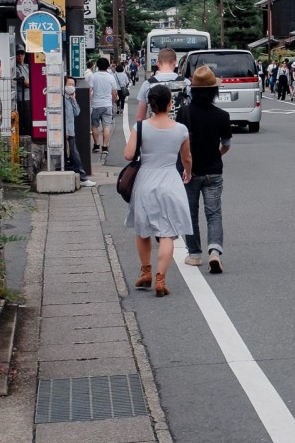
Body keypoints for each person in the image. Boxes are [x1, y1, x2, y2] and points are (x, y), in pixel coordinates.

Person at [122, 82, 192, 298]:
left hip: (145, 181)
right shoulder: (180, 129)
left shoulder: (140, 127)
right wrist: (188, 172)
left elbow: (127, 154)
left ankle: (146, 271)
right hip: (170, 180)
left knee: (143, 229)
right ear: (170, 104)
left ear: (151, 104)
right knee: (168, 233)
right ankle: (161, 278)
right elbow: (186, 158)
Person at [178, 65, 231, 274]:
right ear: (214, 91)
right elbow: (226, 144)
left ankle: (194, 254)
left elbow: (179, 141)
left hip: (189, 171)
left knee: (190, 213)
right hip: (214, 171)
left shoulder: (184, 113)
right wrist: (217, 153)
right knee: (214, 213)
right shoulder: (222, 115)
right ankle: (215, 251)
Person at [61, 77, 95, 188]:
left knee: (73, 155)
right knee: (75, 155)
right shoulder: (62, 99)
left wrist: (74, 99)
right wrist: (64, 131)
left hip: (71, 132)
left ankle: (80, 175)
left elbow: (77, 112)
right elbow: (63, 117)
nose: (71, 86)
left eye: (73, 84)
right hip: (66, 132)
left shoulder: (70, 99)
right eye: (69, 84)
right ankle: (83, 177)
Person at [87, 57, 120, 162]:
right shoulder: (111, 77)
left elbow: (90, 90)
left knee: (95, 126)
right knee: (106, 126)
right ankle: (105, 147)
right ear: (108, 66)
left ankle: (96, 145)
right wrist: (113, 101)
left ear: (97, 65)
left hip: (96, 104)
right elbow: (114, 92)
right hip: (107, 105)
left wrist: (89, 101)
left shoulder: (93, 76)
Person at [136, 48, 182, 121]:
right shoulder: (186, 83)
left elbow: (140, 117)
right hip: (180, 130)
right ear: (175, 62)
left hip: (154, 129)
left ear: (157, 63)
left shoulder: (148, 84)